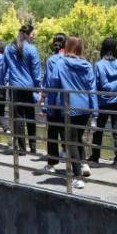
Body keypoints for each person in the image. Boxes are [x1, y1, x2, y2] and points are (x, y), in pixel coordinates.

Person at [50, 36, 97, 188]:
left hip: (69, 107)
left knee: (71, 142)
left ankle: (78, 177)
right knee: (77, 139)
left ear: (67, 47)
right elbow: (92, 89)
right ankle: (83, 165)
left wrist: (49, 106)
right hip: (85, 108)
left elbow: (53, 85)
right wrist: (95, 112)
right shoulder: (87, 65)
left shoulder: (60, 63)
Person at [90, 37, 117, 166]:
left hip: (103, 102)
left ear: (103, 48)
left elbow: (96, 84)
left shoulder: (99, 65)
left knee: (98, 130)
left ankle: (95, 157)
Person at [4, 24, 44, 154]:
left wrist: (1, 82)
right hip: (29, 87)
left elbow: (4, 67)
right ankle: (33, 147)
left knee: (18, 118)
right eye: (32, 34)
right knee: (31, 116)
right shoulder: (32, 49)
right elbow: (36, 71)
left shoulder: (9, 48)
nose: (34, 36)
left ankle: (21, 149)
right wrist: (38, 87)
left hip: (15, 87)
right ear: (26, 34)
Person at [42, 33, 74, 172]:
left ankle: (52, 163)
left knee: (53, 132)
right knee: (69, 131)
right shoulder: (72, 58)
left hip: (55, 100)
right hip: (70, 101)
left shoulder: (52, 60)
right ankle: (69, 154)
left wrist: (46, 104)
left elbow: (50, 82)